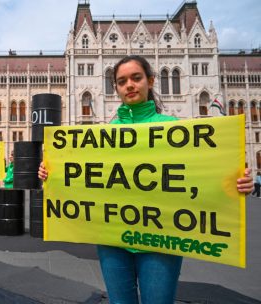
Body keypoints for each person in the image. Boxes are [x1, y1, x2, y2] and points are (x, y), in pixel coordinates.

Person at [38, 55, 254, 304]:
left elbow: (201, 175)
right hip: (112, 239)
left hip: (160, 241)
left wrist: (237, 183)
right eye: (121, 81)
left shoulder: (173, 128)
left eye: (136, 78)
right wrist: (52, 173)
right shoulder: (105, 133)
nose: (129, 85)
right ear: (116, 88)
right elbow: (85, 177)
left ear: (150, 81)